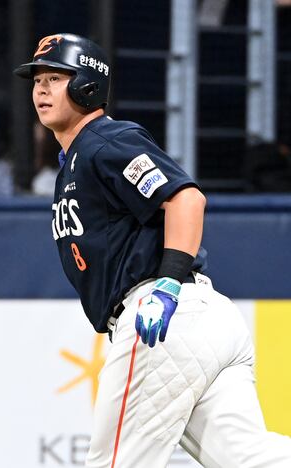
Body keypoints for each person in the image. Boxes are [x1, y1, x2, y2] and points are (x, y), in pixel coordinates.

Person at [14, 33, 291, 467]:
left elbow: (185, 199)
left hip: (162, 318)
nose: (41, 90)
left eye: (55, 78)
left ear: (87, 85)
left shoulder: (105, 140)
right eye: (37, 81)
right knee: (250, 459)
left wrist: (167, 286)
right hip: (202, 321)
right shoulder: (76, 159)